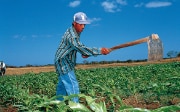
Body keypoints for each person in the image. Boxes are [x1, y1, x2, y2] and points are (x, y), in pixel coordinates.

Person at [54, 12, 110, 103]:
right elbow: (79, 47)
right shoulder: (72, 36)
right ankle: (76, 107)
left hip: (65, 61)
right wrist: (100, 51)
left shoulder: (75, 32)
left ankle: (57, 103)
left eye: (84, 24)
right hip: (63, 62)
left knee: (63, 86)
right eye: (81, 24)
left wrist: (85, 52)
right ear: (74, 23)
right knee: (73, 85)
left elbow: (79, 46)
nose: (83, 27)